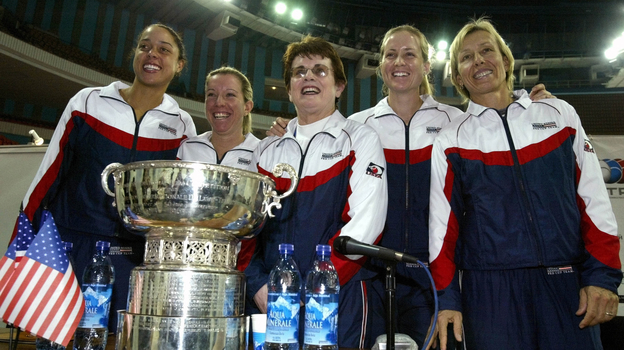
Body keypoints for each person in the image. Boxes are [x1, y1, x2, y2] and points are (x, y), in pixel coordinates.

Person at [268, 25, 554, 349]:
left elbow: (499, 128)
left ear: (427, 65)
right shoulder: (357, 127)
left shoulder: (455, 122)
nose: (399, 61)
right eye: (390, 55)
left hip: (431, 277)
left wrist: (528, 108)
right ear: (381, 66)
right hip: (370, 276)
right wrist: (287, 132)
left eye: (409, 54)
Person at [427, 17, 622, 350]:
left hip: (565, 282)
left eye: (487, 50)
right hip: (490, 293)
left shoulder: (560, 114)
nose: (478, 61)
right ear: (458, 76)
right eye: (466, 57)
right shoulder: (450, 139)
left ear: (505, 60)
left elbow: (593, 200)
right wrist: (447, 298)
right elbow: (441, 231)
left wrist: (602, 276)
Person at [17, 23, 196, 332]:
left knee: (117, 341)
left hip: (135, 258)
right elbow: (48, 176)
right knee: (55, 337)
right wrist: (21, 245)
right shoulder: (87, 102)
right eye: (144, 46)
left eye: (164, 49)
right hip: (70, 247)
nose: (152, 53)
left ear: (179, 65)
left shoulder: (182, 126)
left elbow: (180, 204)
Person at [244, 35, 388, 348]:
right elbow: (245, 229)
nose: (308, 77)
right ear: (289, 88)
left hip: (341, 294)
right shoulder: (266, 150)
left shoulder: (360, 140)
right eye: (299, 72)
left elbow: (367, 223)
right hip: (273, 299)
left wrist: (317, 287)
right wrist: (257, 286)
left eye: (320, 70)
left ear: (339, 86)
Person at [176, 66, 260, 271]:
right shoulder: (188, 148)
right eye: (211, 95)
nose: (219, 103)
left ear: (247, 106)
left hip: (240, 268)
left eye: (230, 95)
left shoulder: (262, 152)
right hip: (185, 260)